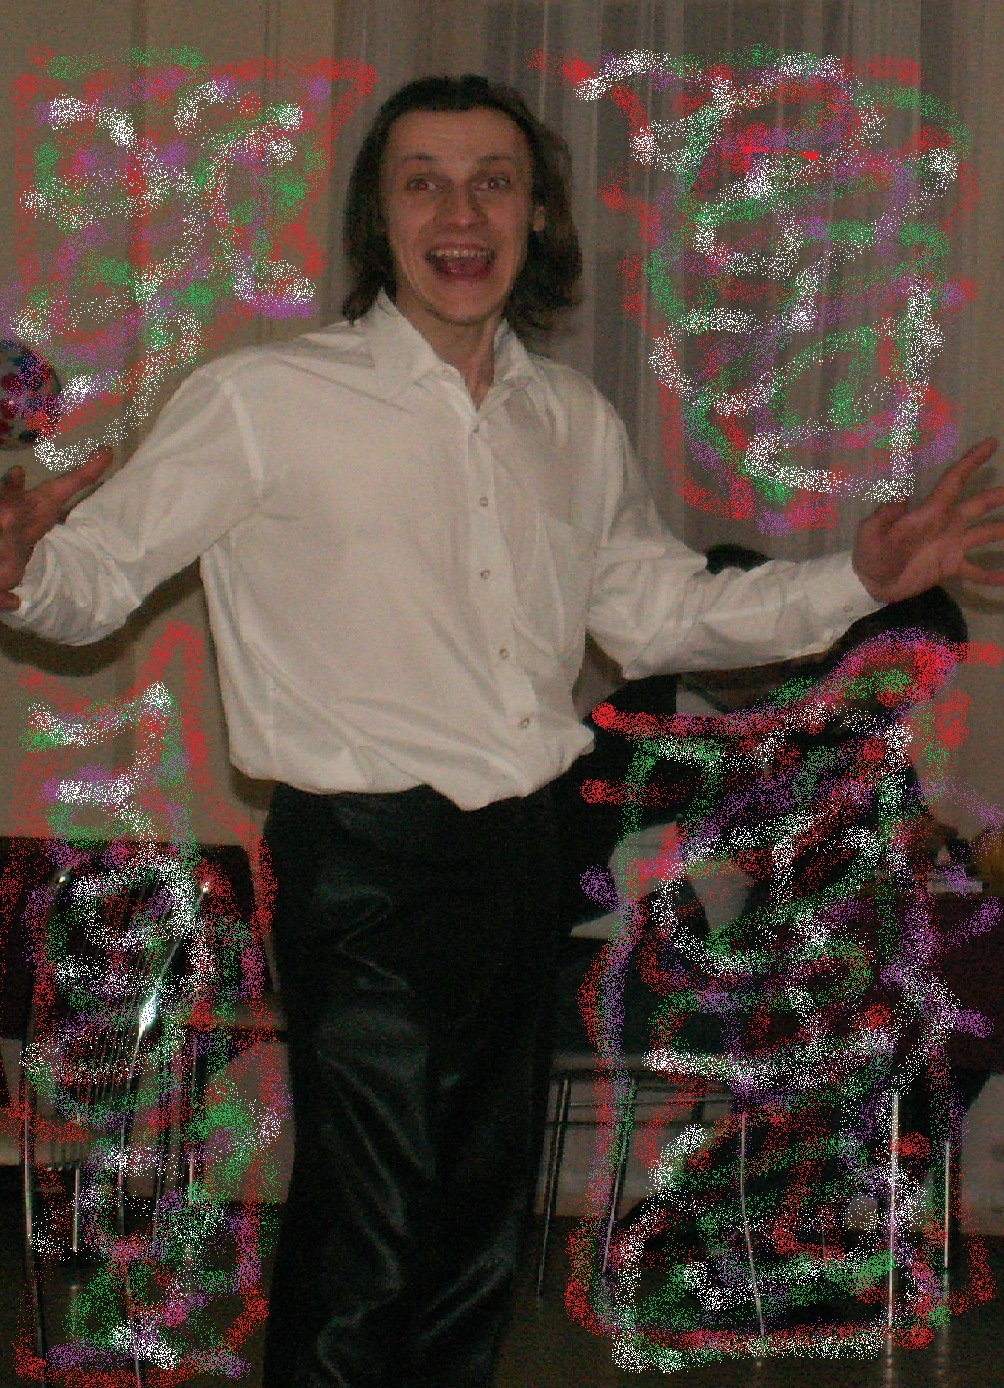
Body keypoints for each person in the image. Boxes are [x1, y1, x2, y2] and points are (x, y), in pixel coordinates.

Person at [0, 73, 1002, 1388]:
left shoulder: (572, 423)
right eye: (423, 182)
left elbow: (663, 614)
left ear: (536, 217)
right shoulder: (263, 398)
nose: (459, 213)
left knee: (475, 1238)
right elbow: (93, 582)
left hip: (528, 856)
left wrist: (857, 580)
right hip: (359, 864)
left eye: (493, 182)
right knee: (372, 1231)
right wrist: (21, 569)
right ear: (380, 218)